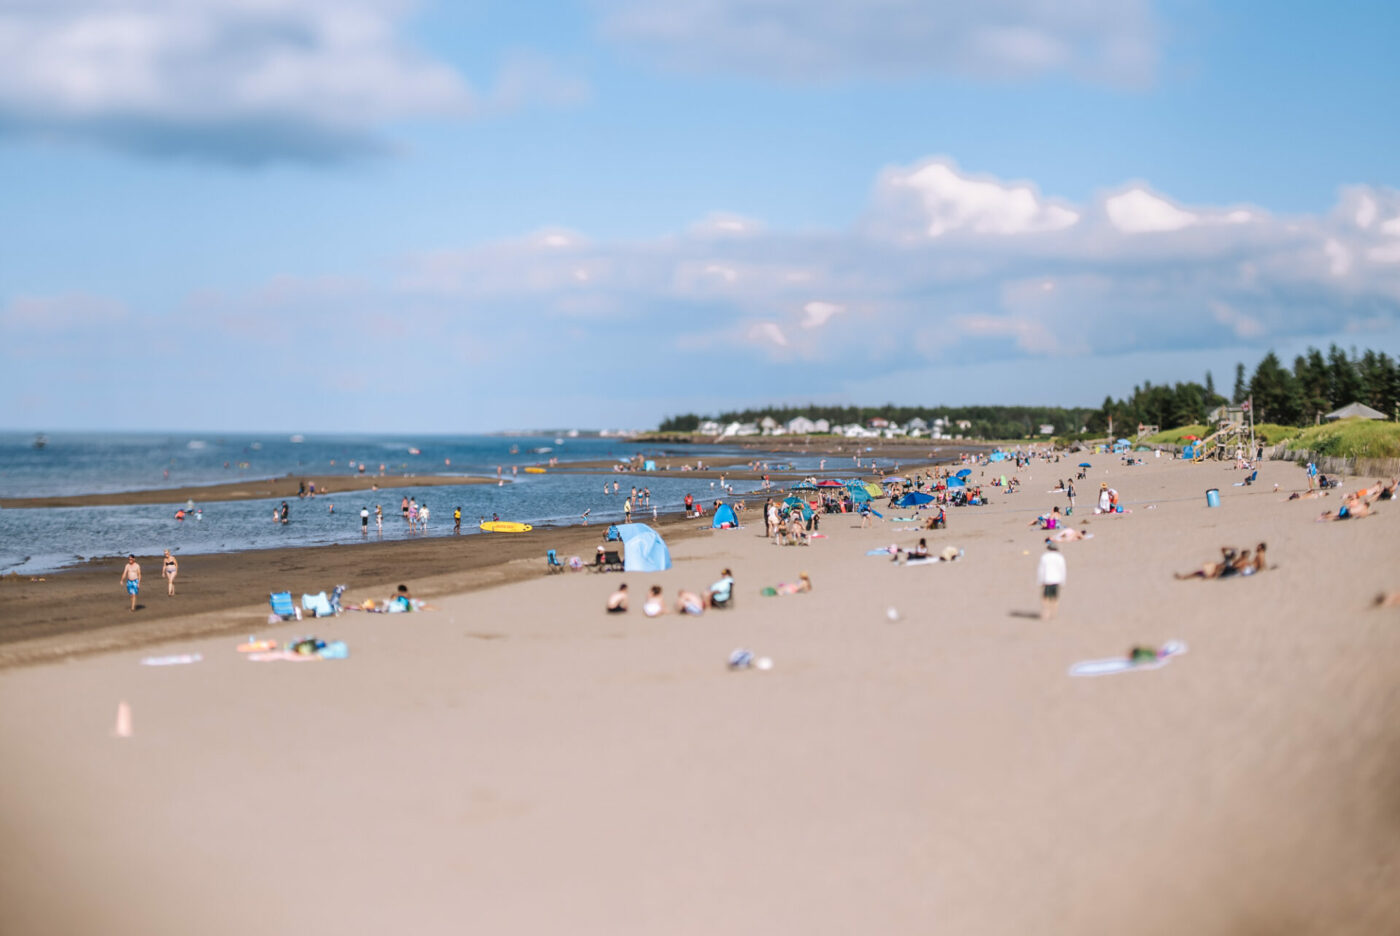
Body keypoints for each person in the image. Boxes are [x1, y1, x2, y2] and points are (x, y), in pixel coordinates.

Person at [1036, 542, 1066, 621]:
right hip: (1056, 580)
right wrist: (1063, 581)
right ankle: (1054, 613)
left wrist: (1040, 581)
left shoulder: (1045, 557)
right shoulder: (1060, 557)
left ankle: (1046, 612)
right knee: (1055, 598)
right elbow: (1063, 570)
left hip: (1047, 579)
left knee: (1045, 597)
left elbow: (1041, 570)